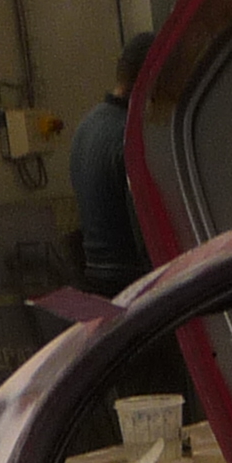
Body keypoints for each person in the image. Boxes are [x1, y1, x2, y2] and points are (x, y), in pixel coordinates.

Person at [71, 32, 152, 298]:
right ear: (152, 76)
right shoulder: (130, 137)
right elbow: (145, 234)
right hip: (129, 286)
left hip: (94, 280)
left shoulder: (86, 127)